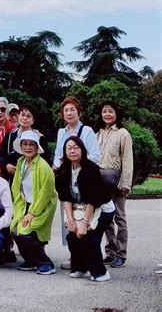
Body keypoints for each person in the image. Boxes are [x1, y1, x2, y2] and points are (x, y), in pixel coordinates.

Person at [55, 136, 115, 281]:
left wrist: (85, 223)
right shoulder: (63, 170)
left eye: (76, 147)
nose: (72, 150)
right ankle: (81, 268)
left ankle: (100, 272)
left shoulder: (91, 169)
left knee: (90, 238)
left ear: (82, 149)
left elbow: (93, 199)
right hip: (78, 209)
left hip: (102, 209)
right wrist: (70, 220)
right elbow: (65, 197)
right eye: (69, 148)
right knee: (72, 236)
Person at [53, 96, 100, 269]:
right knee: (69, 217)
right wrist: (56, 167)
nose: (69, 113)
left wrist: (77, 161)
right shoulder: (61, 133)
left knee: (86, 219)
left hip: (84, 179)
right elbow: (58, 155)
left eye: (72, 109)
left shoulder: (87, 131)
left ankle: (87, 257)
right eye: (66, 110)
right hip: (67, 178)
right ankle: (74, 256)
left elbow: (95, 156)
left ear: (79, 112)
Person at [11, 131, 57, 275]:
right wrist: (18, 210)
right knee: (15, 230)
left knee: (25, 232)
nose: (28, 147)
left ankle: (46, 263)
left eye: (31, 144)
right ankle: (30, 260)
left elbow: (46, 192)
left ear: (37, 147)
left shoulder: (43, 166)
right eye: (25, 144)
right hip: (25, 204)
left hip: (41, 206)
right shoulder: (21, 162)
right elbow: (16, 187)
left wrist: (32, 212)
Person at [96, 101, 133, 268]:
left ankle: (121, 253)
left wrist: (126, 183)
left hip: (117, 181)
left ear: (117, 113)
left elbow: (127, 159)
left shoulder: (123, 134)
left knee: (119, 218)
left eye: (110, 111)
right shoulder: (98, 134)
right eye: (104, 111)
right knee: (106, 217)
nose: (107, 114)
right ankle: (110, 251)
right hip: (101, 181)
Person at [0, 104, 51, 184]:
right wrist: (6, 165)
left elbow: (46, 160)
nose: (25, 118)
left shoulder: (39, 137)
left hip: (33, 179)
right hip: (12, 179)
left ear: (33, 120)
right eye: (22, 115)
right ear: (18, 116)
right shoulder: (10, 135)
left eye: (28, 116)